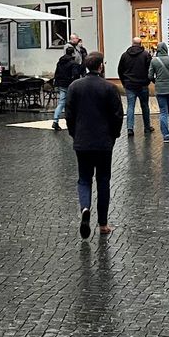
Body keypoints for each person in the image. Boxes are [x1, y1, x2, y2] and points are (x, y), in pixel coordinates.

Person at [65, 51, 123, 238]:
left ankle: (84, 208)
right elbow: (117, 115)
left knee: (84, 179)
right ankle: (103, 224)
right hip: (104, 141)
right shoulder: (109, 88)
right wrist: (113, 135)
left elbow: (69, 115)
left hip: (82, 141)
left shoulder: (74, 87)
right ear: (101, 66)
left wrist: (74, 133)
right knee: (103, 180)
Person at [116, 37, 153, 137]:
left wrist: (124, 82)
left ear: (132, 43)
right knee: (145, 106)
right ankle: (147, 126)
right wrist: (148, 81)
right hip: (143, 84)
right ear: (141, 44)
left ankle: (130, 128)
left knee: (130, 106)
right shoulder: (146, 55)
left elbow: (120, 70)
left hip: (129, 84)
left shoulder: (124, 55)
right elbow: (150, 69)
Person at [51, 34, 84, 131]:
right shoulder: (73, 63)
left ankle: (55, 120)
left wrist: (56, 82)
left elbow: (56, 73)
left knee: (61, 103)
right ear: (73, 53)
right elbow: (75, 75)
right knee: (73, 102)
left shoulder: (60, 62)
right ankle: (73, 120)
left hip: (61, 84)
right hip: (70, 84)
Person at [149, 43, 169, 142]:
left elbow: (150, 76)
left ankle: (166, 136)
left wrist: (156, 82)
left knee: (163, 112)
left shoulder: (154, 60)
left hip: (160, 89)